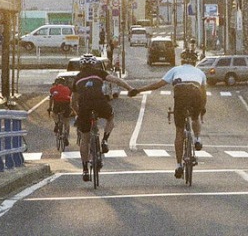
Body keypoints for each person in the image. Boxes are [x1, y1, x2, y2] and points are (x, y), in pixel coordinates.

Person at [128, 48, 206, 179]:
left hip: (180, 93)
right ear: (195, 62)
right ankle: (197, 139)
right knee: (196, 117)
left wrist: (138, 90)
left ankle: (178, 165)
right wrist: (202, 108)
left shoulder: (175, 70)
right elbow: (203, 93)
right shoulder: (200, 72)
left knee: (179, 131)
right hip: (196, 91)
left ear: (182, 60)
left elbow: (157, 85)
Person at [71, 53, 134, 182]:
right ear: (94, 64)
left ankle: (84, 170)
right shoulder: (99, 72)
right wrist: (129, 88)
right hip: (100, 103)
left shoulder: (77, 78)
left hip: (84, 107)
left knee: (85, 139)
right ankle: (105, 140)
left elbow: (73, 101)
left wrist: (79, 114)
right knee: (111, 117)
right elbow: (116, 80)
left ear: (81, 65)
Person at [47, 77, 72, 147]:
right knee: (66, 121)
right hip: (66, 104)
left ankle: (57, 123)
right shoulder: (67, 89)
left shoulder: (52, 89)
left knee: (54, 114)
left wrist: (49, 107)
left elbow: (51, 98)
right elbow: (69, 97)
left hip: (57, 104)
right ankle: (66, 136)